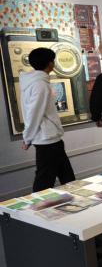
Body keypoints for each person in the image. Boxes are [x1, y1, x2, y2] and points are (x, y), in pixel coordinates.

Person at [20, 47, 75, 192]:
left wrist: (28, 137)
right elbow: (34, 114)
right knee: (44, 181)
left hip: (50, 138)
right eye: (53, 61)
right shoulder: (40, 84)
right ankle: (37, 205)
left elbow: (33, 113)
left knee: (67, 176)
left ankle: (76, 199)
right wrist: (27, 138)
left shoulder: (35, 82)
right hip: (47, 139)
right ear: (50, 63)